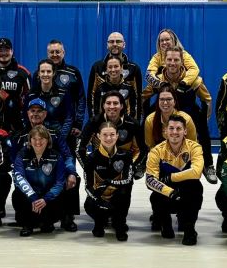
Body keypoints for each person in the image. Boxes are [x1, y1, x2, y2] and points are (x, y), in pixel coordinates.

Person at [142, 46, 215, 183]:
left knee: (203, 127)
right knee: (146, 122)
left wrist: (205, 118)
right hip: (165, 108)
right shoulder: (158, 80)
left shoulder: (194, 80)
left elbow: (207, 100)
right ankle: (145, 158)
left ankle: (208, 164)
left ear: (182, 61)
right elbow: (144, 96)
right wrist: (145, 113)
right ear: (164, 61)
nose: (172, 63)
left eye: (176, 60)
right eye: (169, 60)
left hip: (188, 109)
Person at [145, 114, 204, 245]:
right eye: (171, 128)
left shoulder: (195, 147)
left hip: (186, 192)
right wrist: (170, 192)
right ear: (165, 131)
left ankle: (189, 229)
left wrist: (171, 177)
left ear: (185, 131)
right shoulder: (156, 151)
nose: (175, 132)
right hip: (167, 193)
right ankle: (165, 224)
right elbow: (150, 180)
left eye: (178, 128)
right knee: (155, 197)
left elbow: (196, 172)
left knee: (196, 187)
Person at [12, 125, 72, 237]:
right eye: (34, 139)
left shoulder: (56, 156)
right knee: (17, 194)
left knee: (62, 194)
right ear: (30, 140)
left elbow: (59, 183)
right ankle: (27, 224)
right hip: (30, 196)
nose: (38, 142)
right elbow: (19, 177)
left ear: (48, 140)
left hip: (47, 197)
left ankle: (47, 222)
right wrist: (33, 197)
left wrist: (45, 199)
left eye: (41, 139)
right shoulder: (22, 154)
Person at [83, 122, 134, 241]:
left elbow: (128, 180)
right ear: (98, 136)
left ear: (117, 136)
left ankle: (119, 223)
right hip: (100, 196)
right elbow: (87, 186)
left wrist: (109, 182)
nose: (109, 138)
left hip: (117, 197)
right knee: (90, 204)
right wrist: (98, 200)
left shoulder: (126, 155)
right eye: (105, 135)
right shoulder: (91, 158)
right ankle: (99, 222)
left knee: (124, 192)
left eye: (112, 134)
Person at [78, 91, 145, 179]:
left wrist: (132, 167)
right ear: (103, 105)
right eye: (108, 103)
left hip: (123, 167)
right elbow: (80, 148)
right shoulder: (94, 122)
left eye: (115, 103)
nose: (112, 106)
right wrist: (88, 167)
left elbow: (143, 150)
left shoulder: (133, 124)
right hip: (99, 167)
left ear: (122, 106)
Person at [88, 32, 143, 119]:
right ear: (107, 45)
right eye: (111, 42)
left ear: (124, 44)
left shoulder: (134, 68)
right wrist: (93, 121)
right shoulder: (97, 67)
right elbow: (91, 95)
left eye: (118, 41)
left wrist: (136, 122)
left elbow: (138, 98)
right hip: (103, 122)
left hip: (126, 122)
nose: (114, 44)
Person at [44, 40, 86, 140]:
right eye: (52, 52)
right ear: (47, 54)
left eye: (58, 52)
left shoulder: (73, 72)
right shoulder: (40, 73)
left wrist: (78, 124)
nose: (55, 55)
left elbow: (81, 99)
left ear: (63, 53)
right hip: (45, 126)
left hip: (68, 126)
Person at [88, 55, 141, 122]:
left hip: (125, 126)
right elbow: (96, 112)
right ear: (106, 69)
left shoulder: (129, 89)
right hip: (104, 126)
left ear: (121, 68)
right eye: (110, 67)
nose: (113, 70)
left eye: (116, 66)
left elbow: (133, 112)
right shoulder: (100, 88)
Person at [0, 37, 31, 113]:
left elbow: (29, 97)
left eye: (6, 50)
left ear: (12, 51)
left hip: (15, 117)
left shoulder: (23, 72)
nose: (3, 53)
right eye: (0, 51)